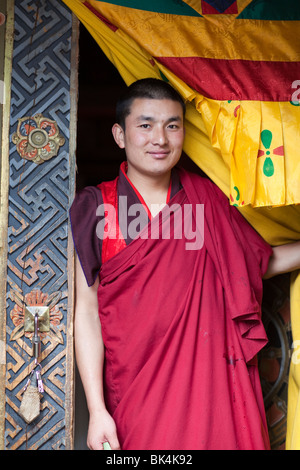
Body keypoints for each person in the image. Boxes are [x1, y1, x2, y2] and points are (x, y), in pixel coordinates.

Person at [70, 78, 300, 450]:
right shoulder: (98, 207)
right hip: (137, 390)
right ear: (120, 134)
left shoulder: (204, 198)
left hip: (212, 384)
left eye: (172, 125)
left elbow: (253, 263)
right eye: (145, 125)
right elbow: (87, 310)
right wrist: (96, 410)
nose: (160, 138)